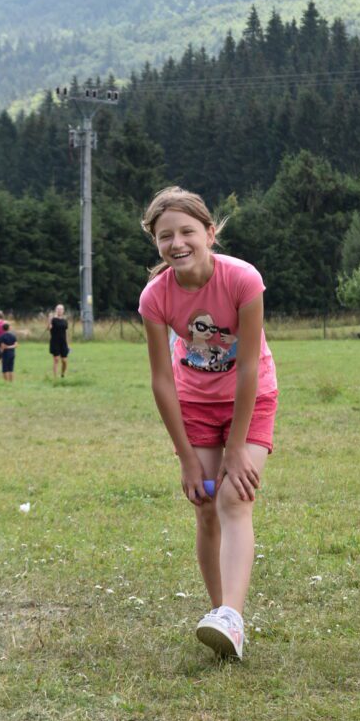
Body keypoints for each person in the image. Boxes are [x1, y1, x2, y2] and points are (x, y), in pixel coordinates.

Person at [139, 186, 278, 661]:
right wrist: (185, 458)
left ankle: (232, 618)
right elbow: (161, 381)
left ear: (210, 233)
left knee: (235, 496)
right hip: (193, 403)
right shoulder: (155, 297)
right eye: (165, 236)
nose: (177, 243)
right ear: (156, 242)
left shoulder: (243, 280)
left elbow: (248, 367)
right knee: (205, 504)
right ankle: (221, 616)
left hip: (250, 397)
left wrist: (236, 447)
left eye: (187, 232)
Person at [48, 303, 69, 378]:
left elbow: (66, 332)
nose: (60, 310)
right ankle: (55, 377)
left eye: (61, 309)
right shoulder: (53, 319)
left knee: (64, 361)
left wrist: (68, 343)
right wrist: (49, 319)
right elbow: (49, 328)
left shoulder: (65, 320)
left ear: (63, 311)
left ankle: (62, 374)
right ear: (56, 310)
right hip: (55, 341)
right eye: (58, 309)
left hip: (63, 342)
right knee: (56, 359)